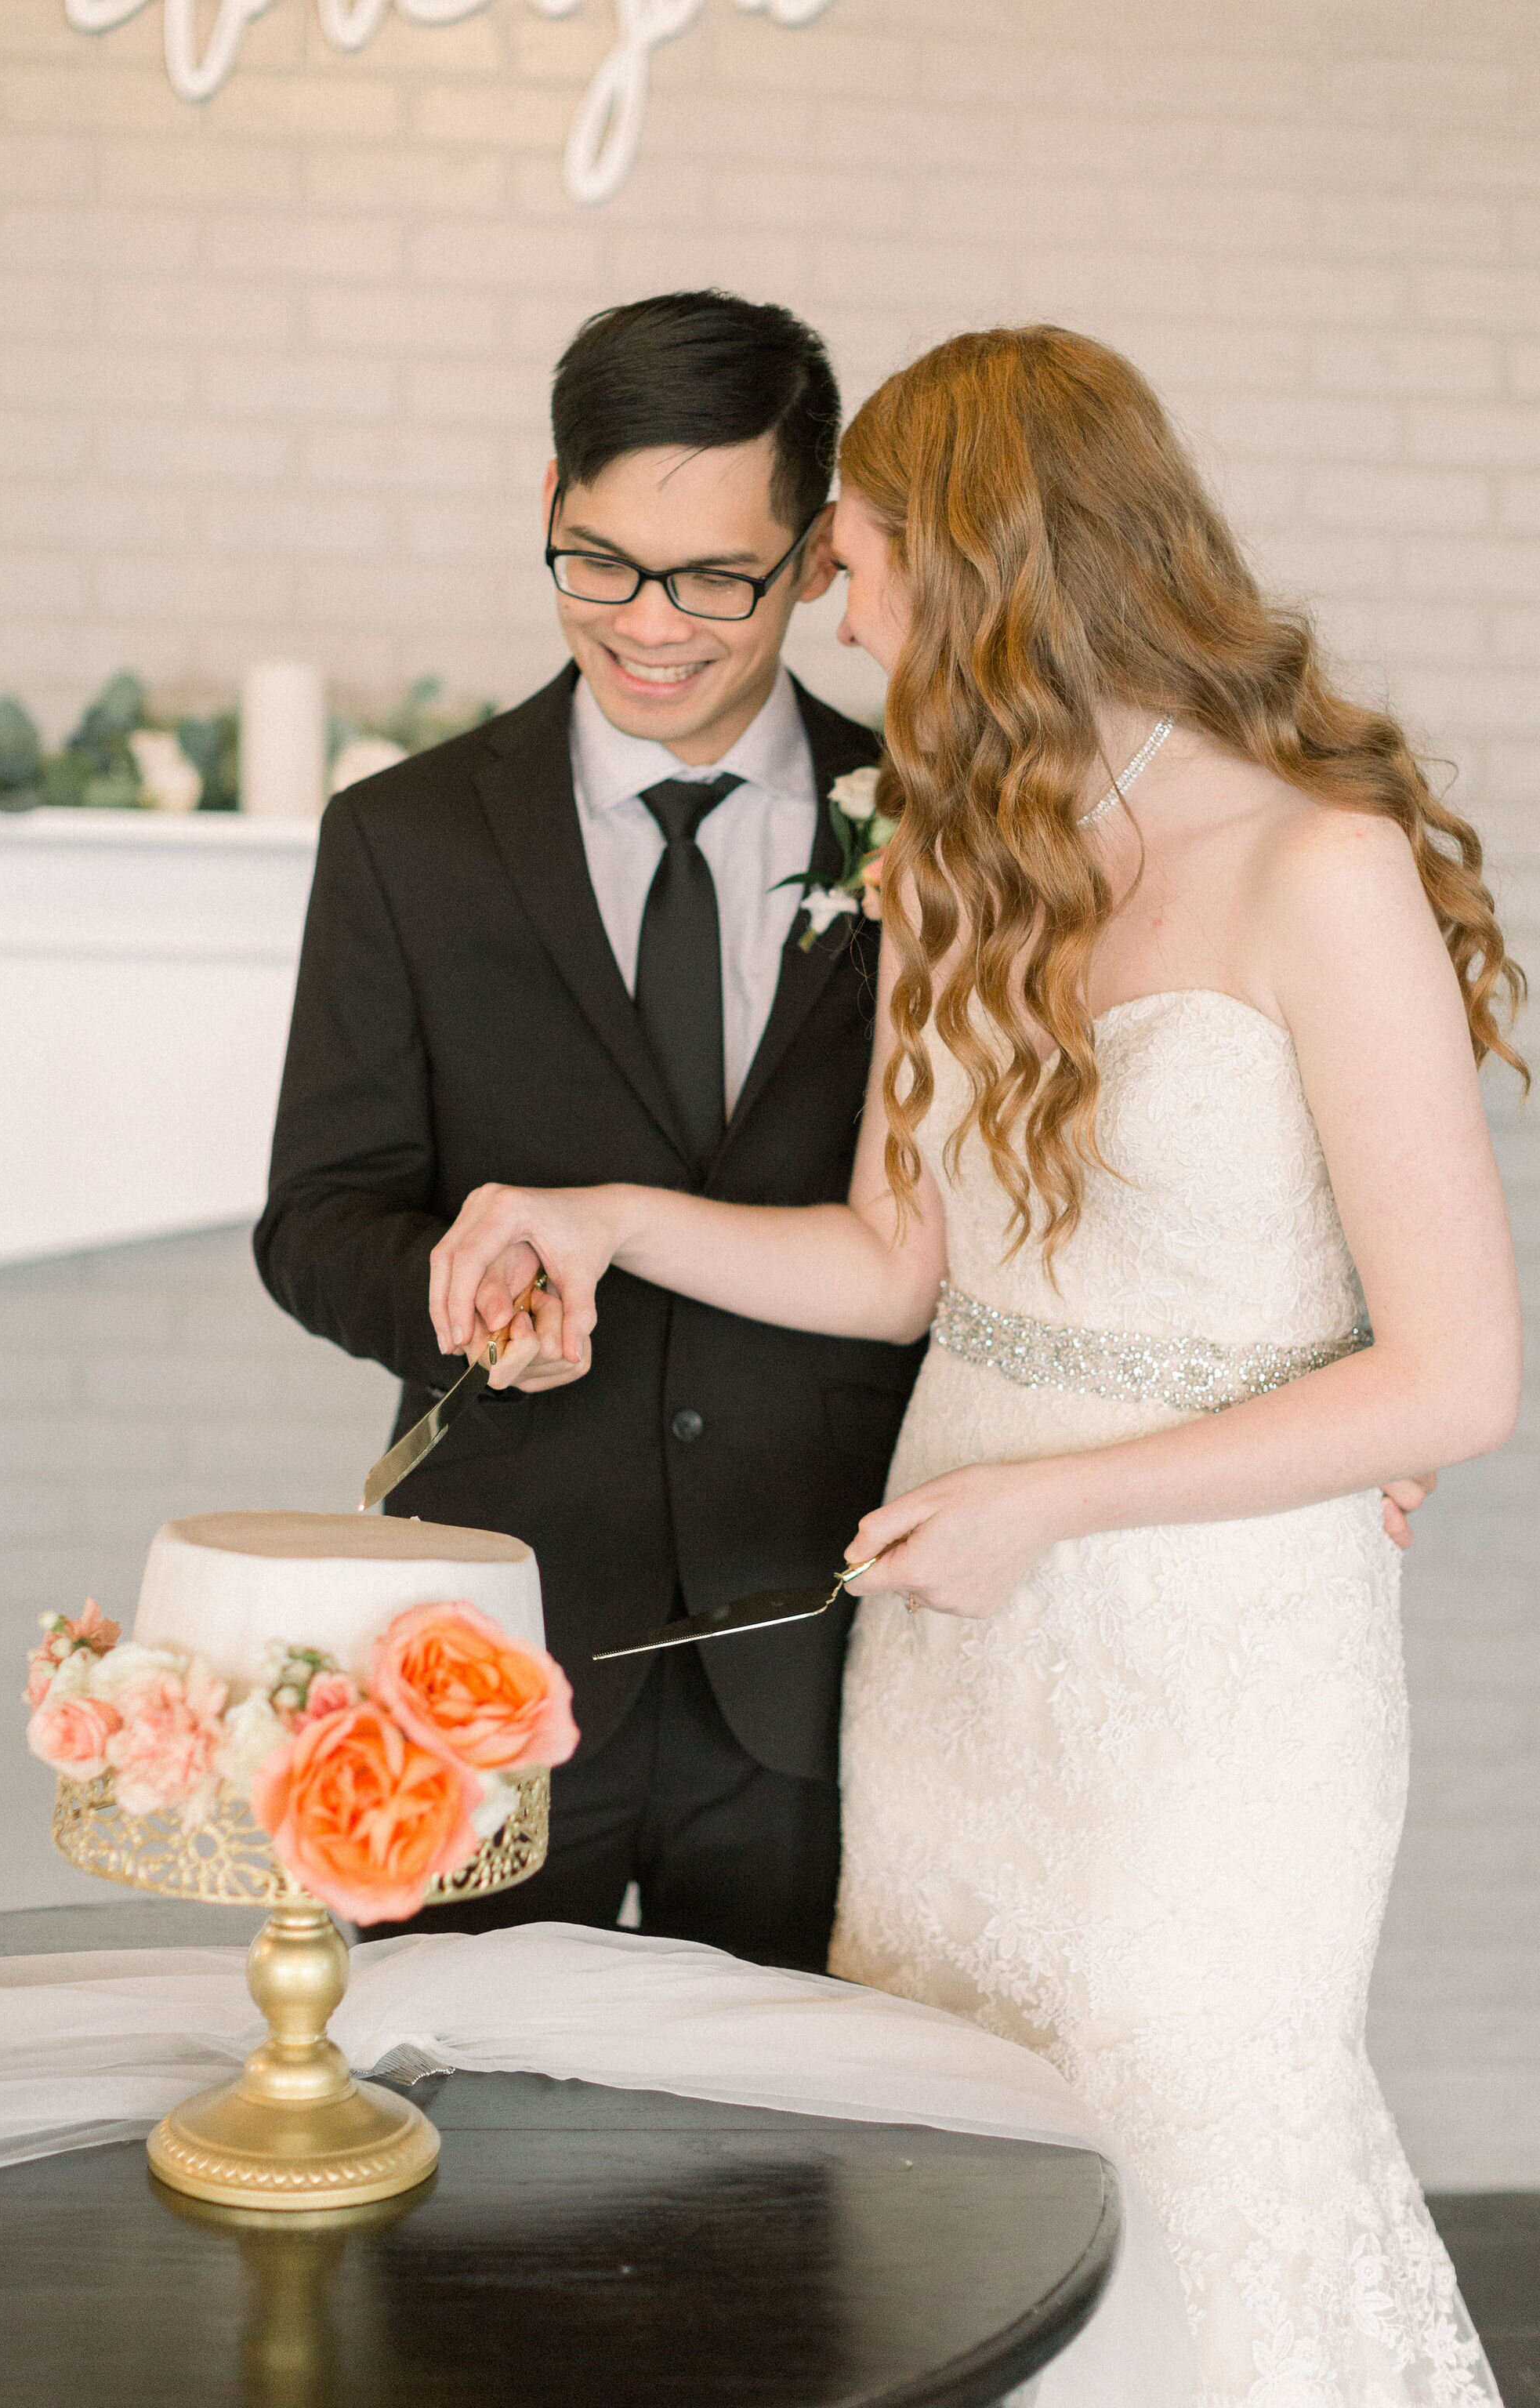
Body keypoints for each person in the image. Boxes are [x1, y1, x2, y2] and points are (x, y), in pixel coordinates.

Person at [433, 326, 1524, 2403]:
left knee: (1195, 2134)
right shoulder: (946, 851)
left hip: (1222, 1666)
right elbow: (892, 1259)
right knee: (959, 2161)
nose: (837, 614)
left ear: (990, 564)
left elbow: (1460, 1378)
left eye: (855, 562)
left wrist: (1063, 1498)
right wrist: (606, 1217)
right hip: (962, 1653)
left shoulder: (1319, 863)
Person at [253, 291, 928, 1971]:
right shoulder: (403, 839)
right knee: (451, 2155)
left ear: (817, 552)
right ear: (547, 496)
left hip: (823, 1641)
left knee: (792, 2187)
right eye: (599, 559)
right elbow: (317, 1218)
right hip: (502, 1646)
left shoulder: (934, 823)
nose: (650, 624)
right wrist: (452, 1293)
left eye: (715, 576)